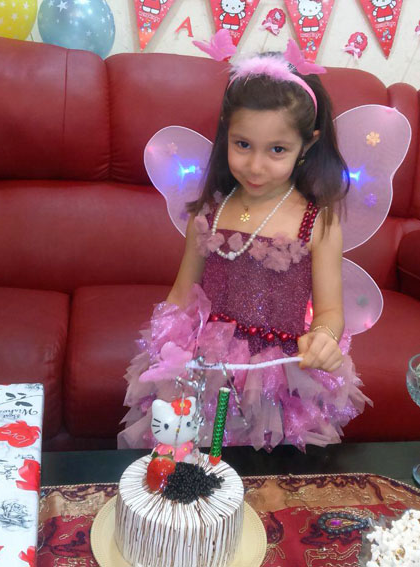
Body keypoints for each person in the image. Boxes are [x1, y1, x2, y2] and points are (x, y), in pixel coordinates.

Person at [118, 41, 371, 452]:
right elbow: (181, 293)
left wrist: (324, 337)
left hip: (279, 374)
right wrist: (163, 349)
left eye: (277, 150)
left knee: (267, 472)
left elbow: (329, 312)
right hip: (205, 366)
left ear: (307, 145)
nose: (255, 166)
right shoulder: (210, 211)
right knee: (193, 462)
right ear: (226, 133)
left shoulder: (318, 222)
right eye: (243, 145)